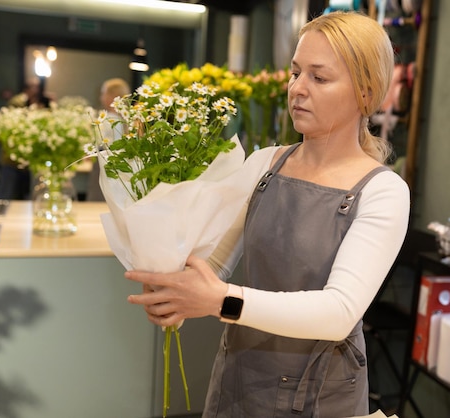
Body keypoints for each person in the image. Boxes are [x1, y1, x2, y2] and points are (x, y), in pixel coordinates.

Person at [124, 11, 410, 417]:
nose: (298, 89)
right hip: (240, 381)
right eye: (295, 73)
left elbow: (338, 313)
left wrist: (221, 301)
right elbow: (217, 263)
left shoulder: (383, 192)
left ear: (366, 93)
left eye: (319, 77)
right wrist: (176, 291)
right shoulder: (264, 164)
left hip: (319, 395)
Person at [0, 77, 53, 200]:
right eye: (35, 87)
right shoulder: (17, 102)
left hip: (28, 162)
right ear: (28, 88)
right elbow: (19, 125)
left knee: (26, 197)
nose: (37, 91)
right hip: (12, 160)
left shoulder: (36, 102)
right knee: (7, 195)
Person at [86, 77, 131, 201]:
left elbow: (96, 143)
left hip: (103, 167)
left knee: (97, 200)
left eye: (103, 93)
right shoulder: (127, 119)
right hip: (120, 168)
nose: (101, 97)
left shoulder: (106, 120)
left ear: (112, 96)